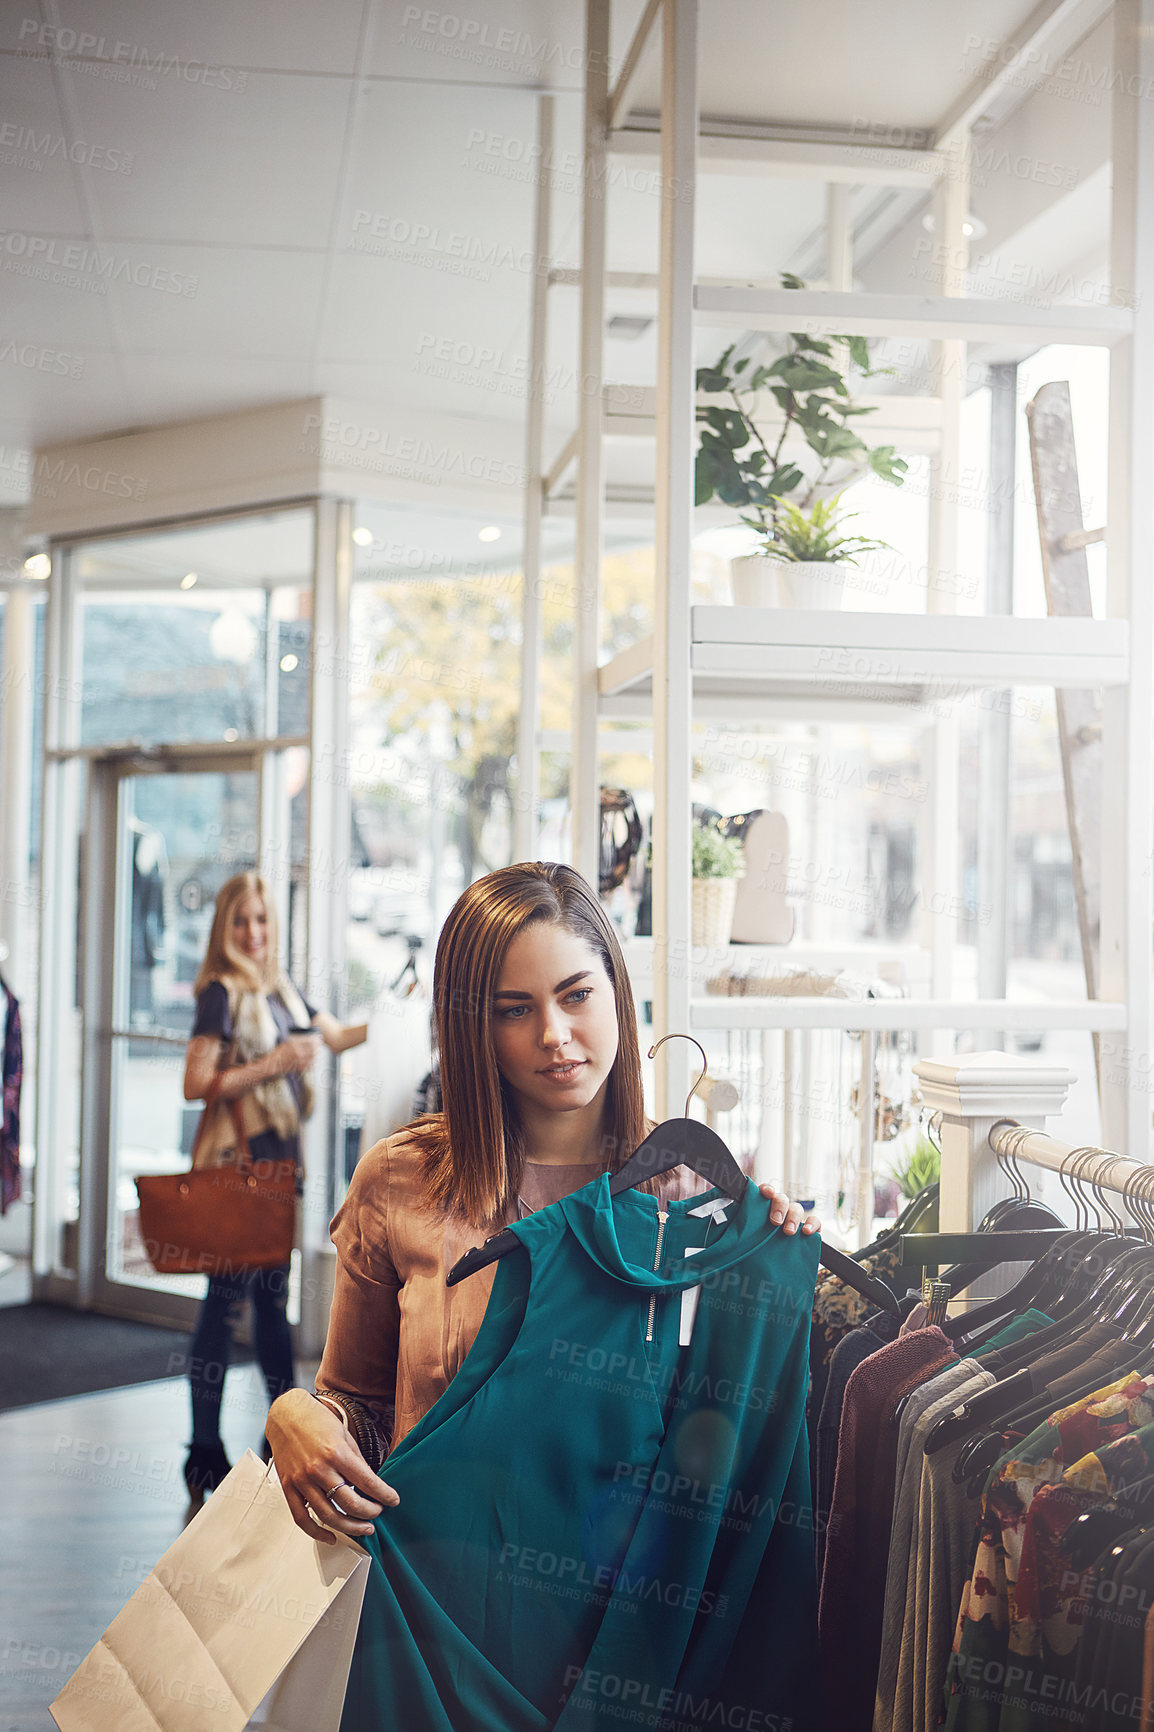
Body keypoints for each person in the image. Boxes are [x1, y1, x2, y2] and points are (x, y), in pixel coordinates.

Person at [266, 860, 819, 1544]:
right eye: (515, 1009)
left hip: (631, 1613)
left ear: (616, 992)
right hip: (441, 1595)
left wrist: (778, 1254)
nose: (554, 1034)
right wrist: (295, 1415)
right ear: (474, 1027)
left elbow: (727, 1442)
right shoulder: (398, 1180)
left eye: (576, 995)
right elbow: (362, 1405)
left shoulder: (695, 1198)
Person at [181, 870, 368, 1513]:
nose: (254, 933)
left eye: (261, 921)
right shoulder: (221, 992)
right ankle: (203, 1447)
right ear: (224, 929)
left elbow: (337, 1036)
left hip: (280, 1168)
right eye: (241, 921)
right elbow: (196, 1081)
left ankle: (280, 1436)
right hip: (240, 1169)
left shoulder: (282, 989)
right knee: (225, 1300)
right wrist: (275, 1064)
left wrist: (402, 1013)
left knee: (269, 1302)